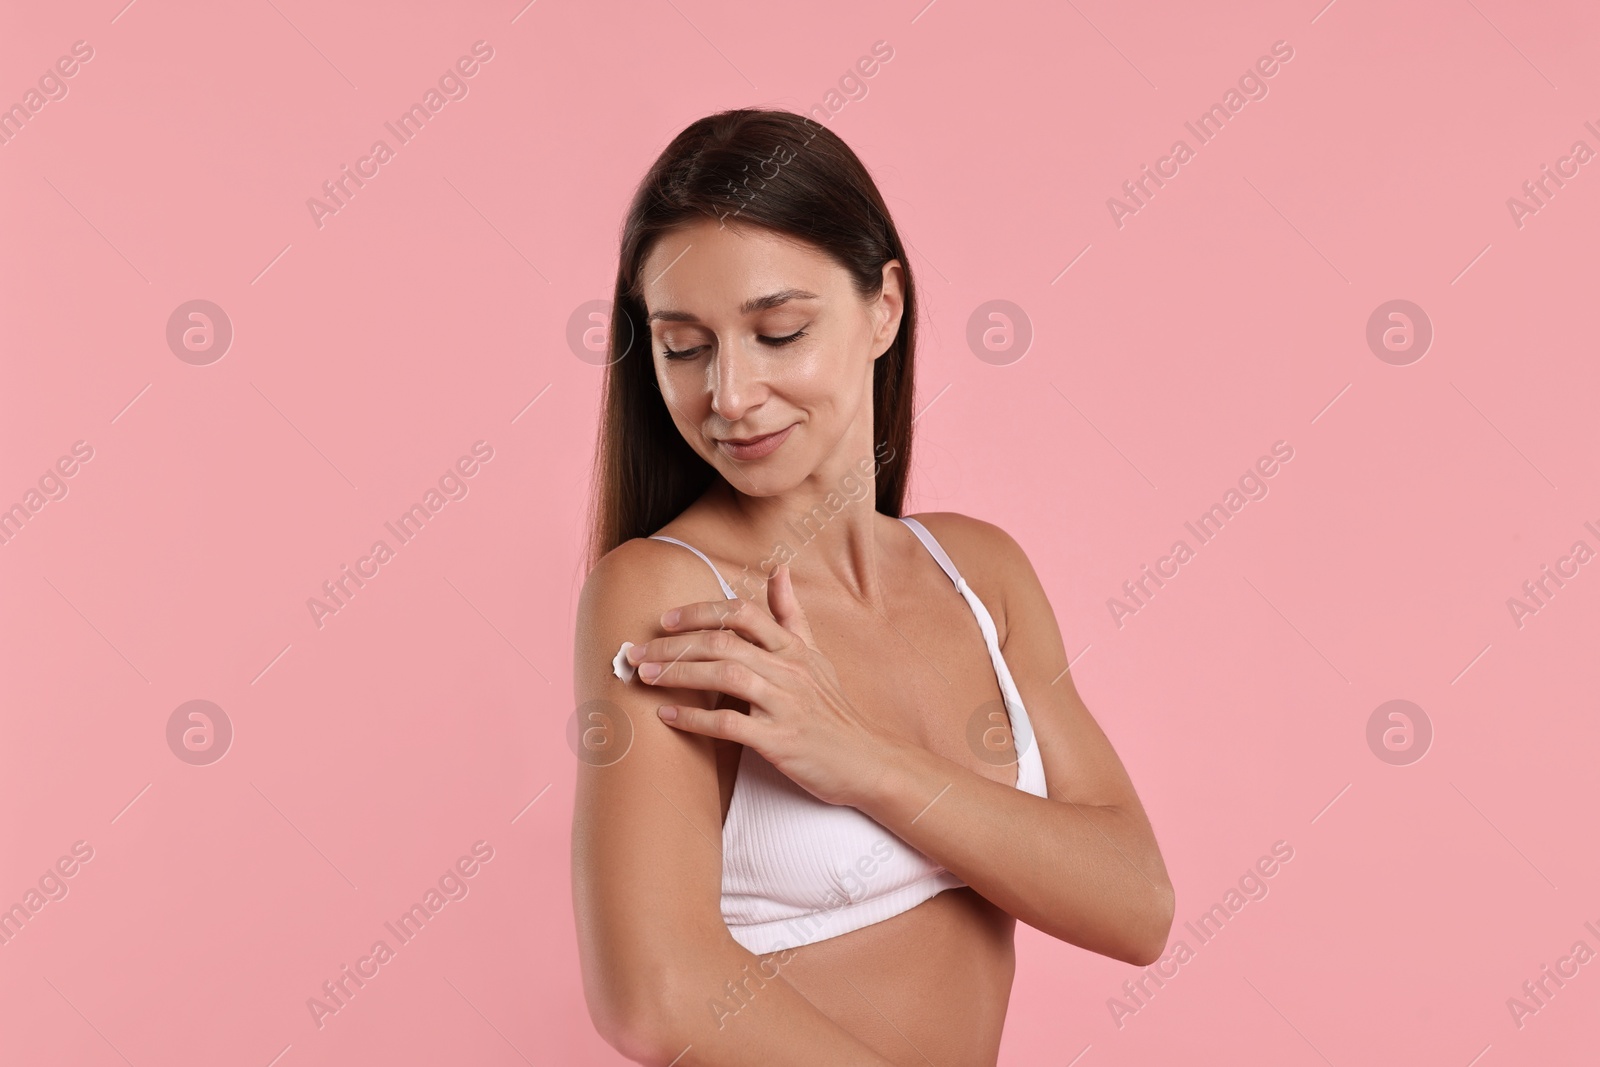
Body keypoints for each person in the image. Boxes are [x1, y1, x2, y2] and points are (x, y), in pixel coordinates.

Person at [571, 108, 1173, 1066]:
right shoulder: (665, 595)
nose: (728, 393)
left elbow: (1135, 902)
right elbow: (656, 995)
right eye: (685, 347)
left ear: (884, 307)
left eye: (778, 331)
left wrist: (859, 758)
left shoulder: (981, 574)